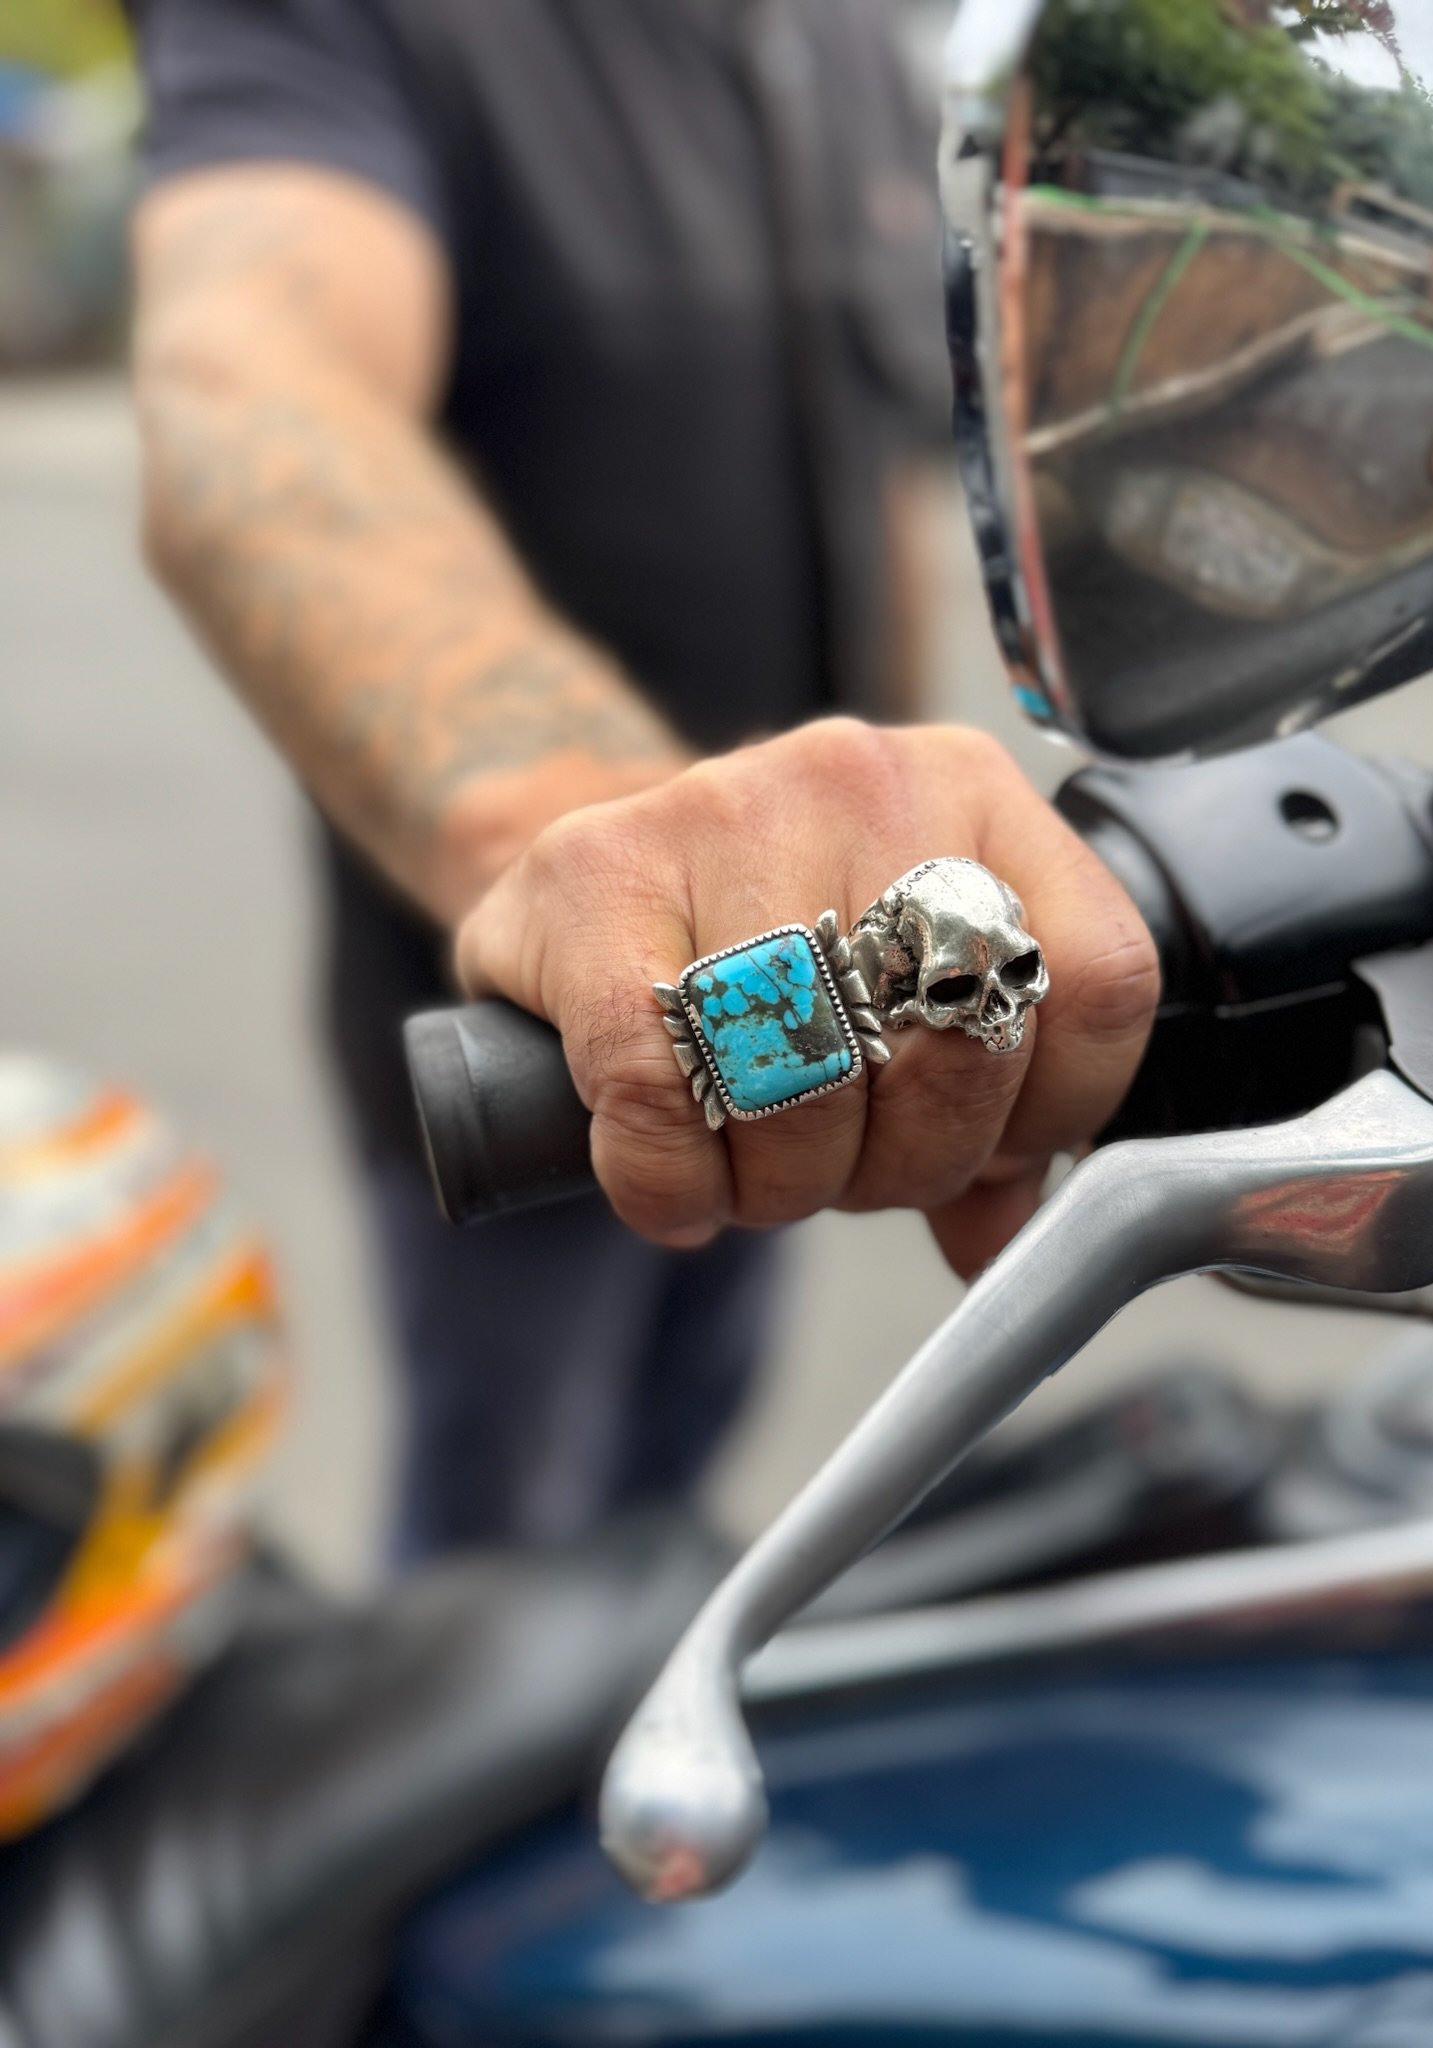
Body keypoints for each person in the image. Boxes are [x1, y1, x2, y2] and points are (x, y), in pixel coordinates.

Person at [127, 0, 1160, 1559]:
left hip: (810, 1006)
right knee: (501, 1566)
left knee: (678, 1495)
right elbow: (253, 400)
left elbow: (879, 487)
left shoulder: (840, 42)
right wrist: (586, 842)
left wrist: (871, 843)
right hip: (538, 1048)